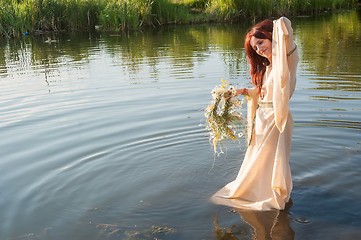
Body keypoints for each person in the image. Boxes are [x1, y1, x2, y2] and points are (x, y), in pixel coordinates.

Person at [211, 17, 299, 210]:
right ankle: (256, 192)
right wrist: (241, 91)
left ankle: (272, 195)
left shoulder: (287, 60)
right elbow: (262, 94)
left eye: (261, 42)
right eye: (255, 47)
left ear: (270, 36)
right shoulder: (268, 67)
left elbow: (285, 25)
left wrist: (277, 25)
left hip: (277, 121)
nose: (259, 49)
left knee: (272, 161)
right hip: (261, 120)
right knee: (258, 163)